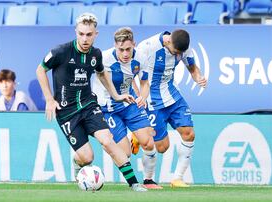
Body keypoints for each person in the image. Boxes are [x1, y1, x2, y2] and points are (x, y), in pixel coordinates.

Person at [36, 13, 147, 191]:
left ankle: (134, 183)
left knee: (107, 140)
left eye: (89, 34)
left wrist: (117, 95)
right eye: (81, 34)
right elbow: (40, 70)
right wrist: (49, 98)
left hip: (89, 105)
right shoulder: (60, 51)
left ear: (95, 34)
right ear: (76, 32)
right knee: (87, 157)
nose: (84, 38)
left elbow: (102, 74)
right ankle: (77, 162)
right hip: (66, 113)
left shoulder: (95, 54)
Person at [133, 29, 207, 187]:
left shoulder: (184, 48)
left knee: (189, 134)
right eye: (175, 52)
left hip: (173, 96)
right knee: (162, 147)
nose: (177, 55)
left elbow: (193, 68)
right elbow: (131, 74)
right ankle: (139, 134)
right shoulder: (147, 47)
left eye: (179, 53)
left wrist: (199, 78)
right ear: (168, 42)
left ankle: (177, 178)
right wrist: (139, 97)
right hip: (152, 101)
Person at [92, 27, 161, 189]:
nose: (125, 54)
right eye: (121, 49)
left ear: (134, 45)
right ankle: (131, 142)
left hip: (129, 102)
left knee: (149, 142)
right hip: (108, 107)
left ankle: (149, 180)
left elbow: (144, 84)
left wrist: (142, 98)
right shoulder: (105, 58)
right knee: (126, 153)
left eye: (128, 49)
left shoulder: (142, 57)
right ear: (115, 46)